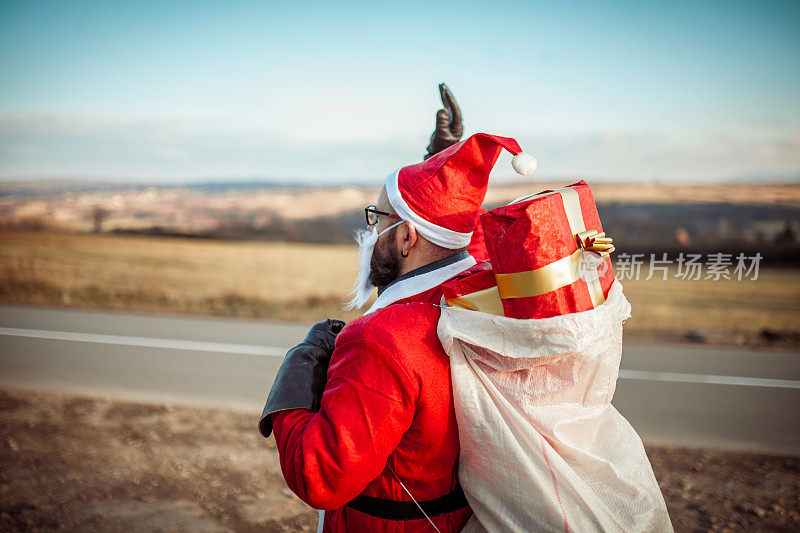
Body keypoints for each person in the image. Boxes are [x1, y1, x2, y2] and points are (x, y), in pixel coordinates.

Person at [258, 86, 535, 531]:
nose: (369, 234)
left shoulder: (381, 338)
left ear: (407, 238)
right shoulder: (479, 296)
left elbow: (321, 476)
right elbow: (462, 240)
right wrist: (445, 163)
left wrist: (295, 375)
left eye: (378, 220)